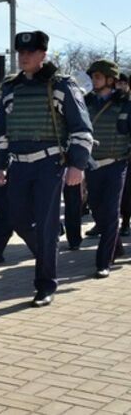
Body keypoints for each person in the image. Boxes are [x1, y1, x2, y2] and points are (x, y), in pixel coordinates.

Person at [0, 30, 93, 307]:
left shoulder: (60, 85)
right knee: (18, 219)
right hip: (19, 167)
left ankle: (46, 283)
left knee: (46, 225)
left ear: (43, 54)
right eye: (21, 52)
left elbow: (81, 127)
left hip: (50, 164)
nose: (24, 57)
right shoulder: (11, 88)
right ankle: (48, 249)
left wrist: (77, 165)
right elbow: (0, 131)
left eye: (31, 52)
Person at [79, 60, 130, 277]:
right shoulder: (85, 102)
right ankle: (114, 244)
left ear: (110, 79)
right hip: (92, 165)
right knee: (96, 209)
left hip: (116, 164)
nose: (93, 80)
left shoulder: (125, 103)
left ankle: (103, 262)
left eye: (98, 77)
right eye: (92, 77)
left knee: (110, 212)